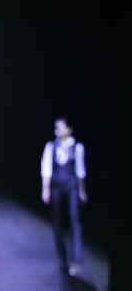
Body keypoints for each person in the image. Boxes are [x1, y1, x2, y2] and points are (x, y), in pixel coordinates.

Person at [41, 117, 87, 276]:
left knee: (74, 221)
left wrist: (82, 191)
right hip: (57, 187)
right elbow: (46, 169)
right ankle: (63, 258)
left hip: (71, 186)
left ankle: (76, 259)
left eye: (60, 128)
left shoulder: (77, 147)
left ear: (68, 129)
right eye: (56, 128)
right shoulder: (51, 146)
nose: (57, 131)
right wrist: (45, 189)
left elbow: (80, 171)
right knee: (58, 223)